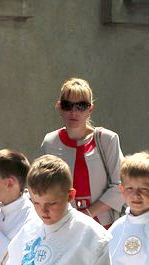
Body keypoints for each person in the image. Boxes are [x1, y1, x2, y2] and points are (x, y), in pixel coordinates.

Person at [40, 78, 124, 227]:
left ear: (90, 109)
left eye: (81, 106)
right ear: (59, 106)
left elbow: (120, 186)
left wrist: (87, 214)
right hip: (65, 225)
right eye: (68, 105)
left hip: (104, 226)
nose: (74, 112)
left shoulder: (107, 139)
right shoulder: (50, 142)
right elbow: (44, 187)